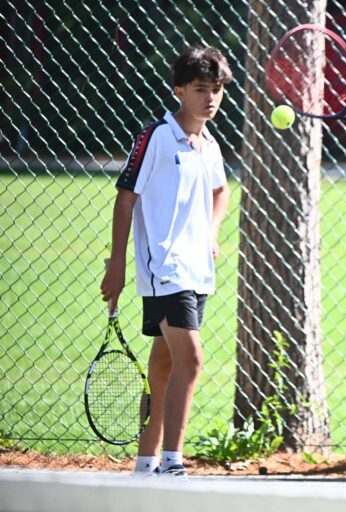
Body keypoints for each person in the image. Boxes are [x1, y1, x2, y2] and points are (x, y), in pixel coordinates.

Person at [100, 45, 233, 478]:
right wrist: (116, 264)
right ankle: (174, 462)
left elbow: (221, 191)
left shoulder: (209, 142)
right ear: (178, 90)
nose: (210, 98)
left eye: (216, 90)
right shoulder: (155, 135)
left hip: (198, 270)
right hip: (165, 269)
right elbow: (126, 198)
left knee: (164, 365)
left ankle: (145, 461)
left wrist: (212, 234)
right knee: (190, 360)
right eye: (200, 89)